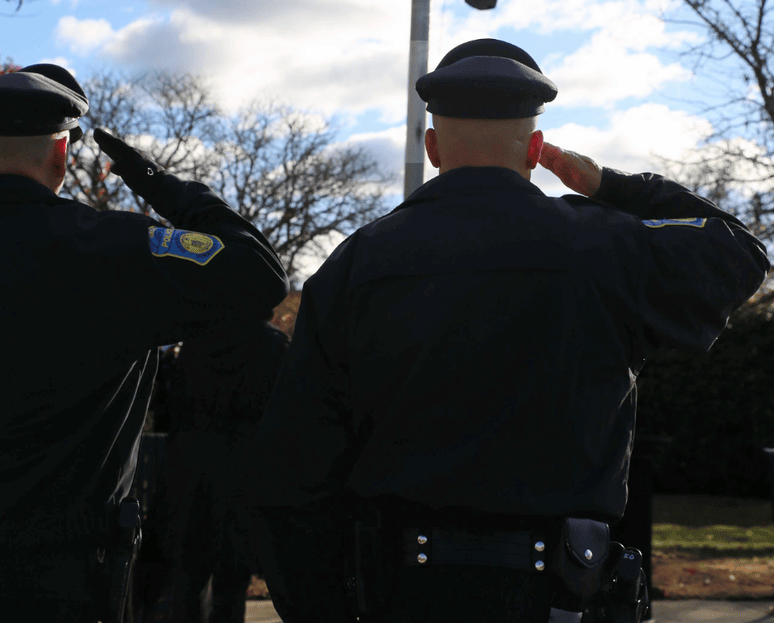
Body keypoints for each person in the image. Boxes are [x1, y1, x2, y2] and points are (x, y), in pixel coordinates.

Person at [250, 38, 769, 623]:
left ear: (432, 147)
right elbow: (741, 254)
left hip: (399, 593)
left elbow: (291, 477)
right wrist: (615, 187)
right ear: (538, 149)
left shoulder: (355, 263)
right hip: (563, 594)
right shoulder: (608, 247)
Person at [0, 63, 288, 622]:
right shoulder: (114, 252)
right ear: (61, 158)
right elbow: (259, 275)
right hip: (65, 579)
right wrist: (157, 182)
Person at [139, 319, 289, 623]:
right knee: (232, 579)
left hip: (191, 472)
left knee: (189, 574)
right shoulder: (274, 346)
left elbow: (173, 406)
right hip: (243, 475)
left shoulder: (198, 343)